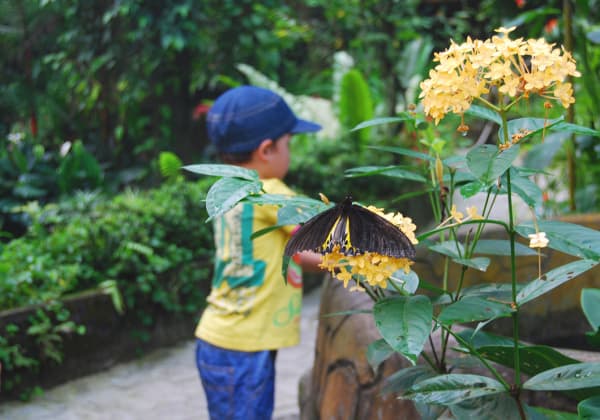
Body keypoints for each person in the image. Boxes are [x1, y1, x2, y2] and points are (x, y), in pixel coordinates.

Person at [195, 85, 324, 420]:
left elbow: (292, 252)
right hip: (244, 347)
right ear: (267, 149)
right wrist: (359, 260)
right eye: (288, 143)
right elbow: (312, 249)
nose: (289, 152)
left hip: (219, 340)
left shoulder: (224, 190)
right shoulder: (270, 193)